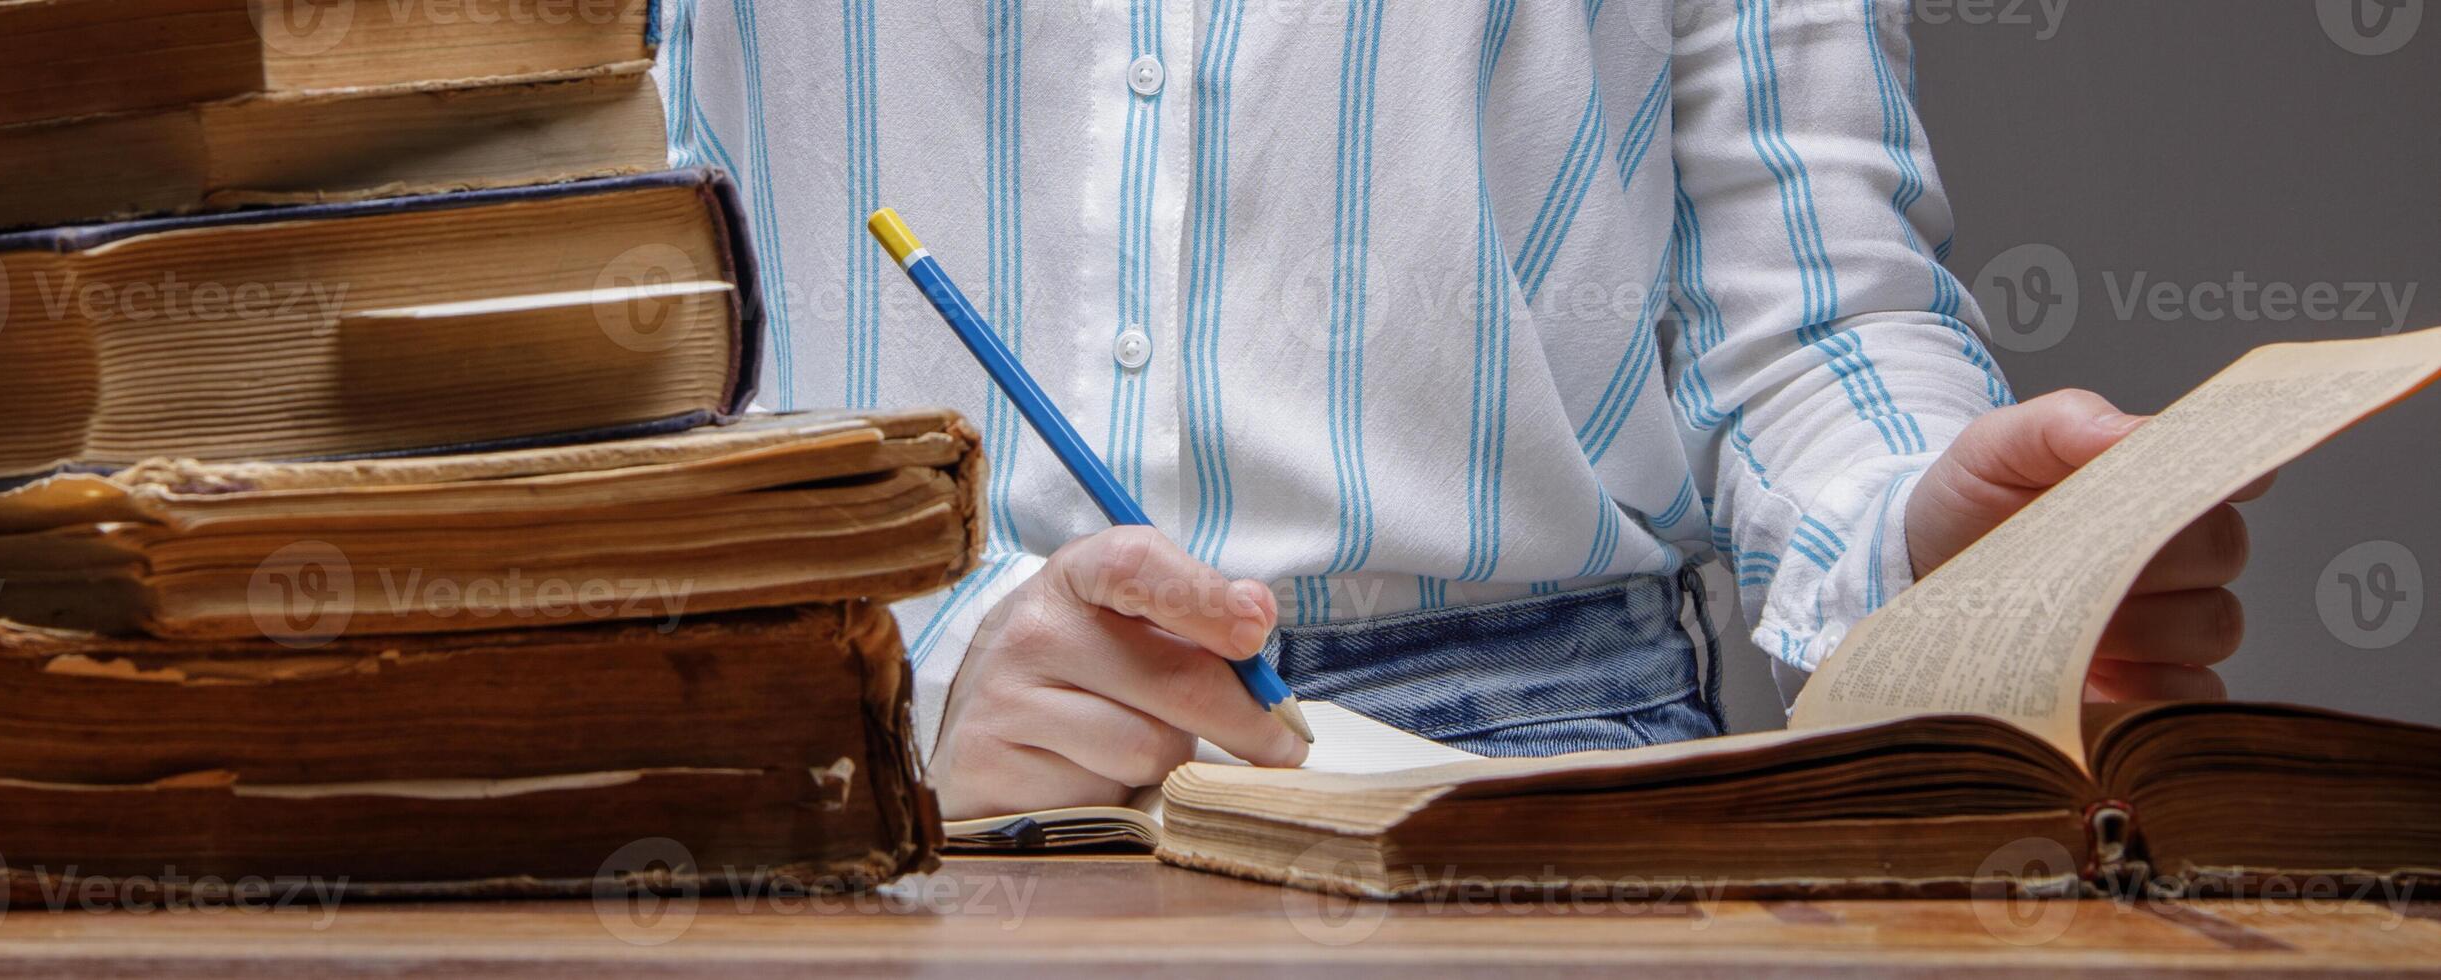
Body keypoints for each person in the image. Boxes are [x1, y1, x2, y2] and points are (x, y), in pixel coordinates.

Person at [649, 1, 2260, 818]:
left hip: (1543, 767)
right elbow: (531, 305)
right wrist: (891, 659)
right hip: (841, 763)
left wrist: (1936, 546)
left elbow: (1805, 319)